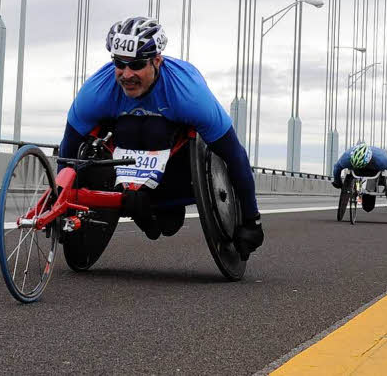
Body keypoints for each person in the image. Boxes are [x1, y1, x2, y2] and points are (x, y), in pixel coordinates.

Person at [58, 16, 264, 260]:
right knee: (129, 128)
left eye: (136, 65)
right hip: (119, 159)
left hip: (176, 166)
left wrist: (252, 219)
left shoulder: (190, 95)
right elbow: (68, 150)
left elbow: (234, 155)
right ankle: (134, 197)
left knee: (168, 221)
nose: (126, 74)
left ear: (157, 61)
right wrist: (59, 202)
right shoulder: (96, 92)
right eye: (119, 64)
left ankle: (157, 203)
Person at [331, 142, 387, 210]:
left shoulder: (381, 159)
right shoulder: (347, 158)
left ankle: (378, 183)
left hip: (374, 169)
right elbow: (337, 167)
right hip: (356, 170)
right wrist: (338, 183)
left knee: (368, 207)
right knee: (367, 207)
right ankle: (358, 185)